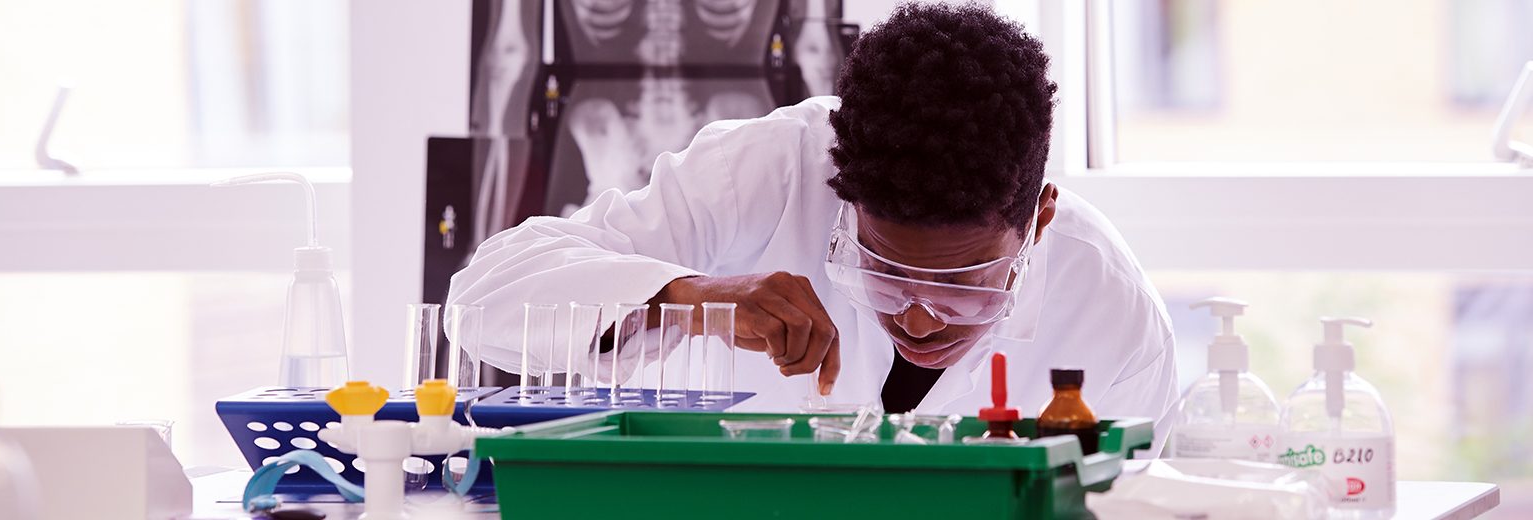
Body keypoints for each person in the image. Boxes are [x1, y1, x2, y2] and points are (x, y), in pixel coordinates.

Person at [448, 3, 1178, 436]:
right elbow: (482, 299)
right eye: (885, 271)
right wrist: (693, 296)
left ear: (1039, 220)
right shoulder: (772, 168)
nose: (920, 320)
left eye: (963, 284)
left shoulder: (1111, 316)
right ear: (846, 197)